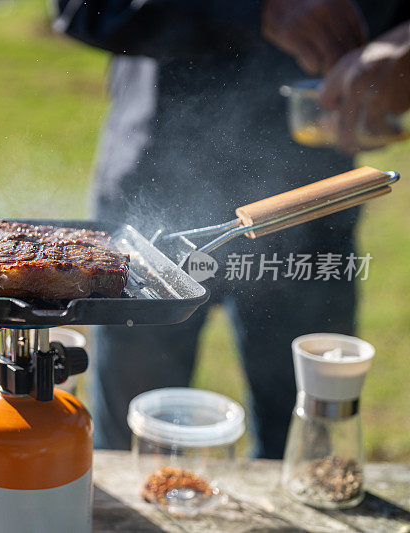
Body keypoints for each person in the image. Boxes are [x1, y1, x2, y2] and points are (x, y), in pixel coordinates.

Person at [53, 0, 410, 457]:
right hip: (152, 209)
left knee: (307, 452)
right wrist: (253, 7)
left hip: (309, 206)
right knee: (129, 450)